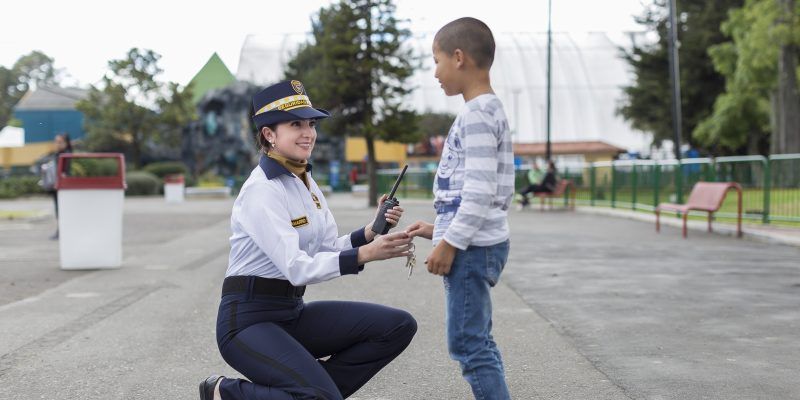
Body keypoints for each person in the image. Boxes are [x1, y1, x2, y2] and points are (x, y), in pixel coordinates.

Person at [200, 80, 417, 400]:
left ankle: (312, 393)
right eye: (296, 124)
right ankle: (226, 393)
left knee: (397, 326)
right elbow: (297, 267)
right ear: (269, 134)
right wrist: (366, 254)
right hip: (247, 323)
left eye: (311, 124)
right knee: (317, 395)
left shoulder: (304, 181)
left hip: (291, 312)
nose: (308, 132)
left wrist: (370, 232)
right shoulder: (262, 190)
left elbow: (327, 247)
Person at [405, 18, 514, 400]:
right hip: (473, 241)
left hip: (470, 249)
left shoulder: (478, 115)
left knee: (469, 346)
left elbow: (481, 193)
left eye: (436, 62)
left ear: (458, 58)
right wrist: (438, 229)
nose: (435, 73)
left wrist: (449, 243)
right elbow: (479, 191)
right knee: (478, 342)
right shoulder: (485, 110)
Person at [44, 133, 72, 240]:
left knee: (62, 210)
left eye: (60, 142)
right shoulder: (58, 154)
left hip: (62, 187)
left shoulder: (66, 155)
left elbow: (65, 172)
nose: (58, 144)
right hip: (57, 186)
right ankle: (61, 231)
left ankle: (62, 231)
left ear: (66, 143)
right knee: (59, 210)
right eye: (56, 142)